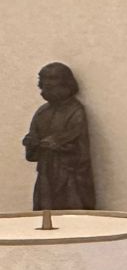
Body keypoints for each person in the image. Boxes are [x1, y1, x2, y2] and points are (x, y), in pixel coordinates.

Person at [22, 63, 95, 212]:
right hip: (45, 176)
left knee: (72, 215)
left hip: (69, 178)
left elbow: (81, 152)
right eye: (44, 84)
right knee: (45, 213)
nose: (47, 87)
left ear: (66, 85)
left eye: (53, 82)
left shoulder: (75, 111)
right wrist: (31, 143)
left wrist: (58, 145)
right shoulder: (42, 113)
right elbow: (32, 154)